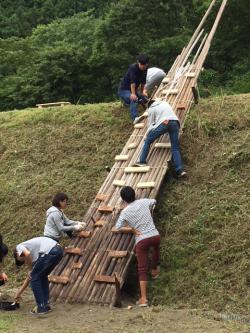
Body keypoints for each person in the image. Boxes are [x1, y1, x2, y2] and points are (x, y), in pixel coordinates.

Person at [115, 186, 160, 307]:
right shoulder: (144, 201)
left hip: (142, 240)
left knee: (142, 269)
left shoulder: (125, 211)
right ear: (134, 194)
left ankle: (144, 299)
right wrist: (150, 209)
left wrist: (132, 229)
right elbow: (154, 201)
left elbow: (117, 227)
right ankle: (155, 270)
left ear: (123, 199)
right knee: (156, 247)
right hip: (155, 235)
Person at [135, 99, 186, 178]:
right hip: (175, 122)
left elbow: (150, 124)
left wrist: (147, 135)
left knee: (148, 141)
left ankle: (142, 161)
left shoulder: (151, 108)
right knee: (175, 148)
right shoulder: (164, 103)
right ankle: (180, 170)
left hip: (164, 123)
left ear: (149, 106)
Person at [13, 236, 63, 314]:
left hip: (49, 251)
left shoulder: (18, 247)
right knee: (42, 276)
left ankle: (41, 307)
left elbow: (27, 254)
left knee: (36, 278)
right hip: (58, 250)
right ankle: (46, 305)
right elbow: (30, 277)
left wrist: (29, 269)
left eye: (20, 259)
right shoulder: (34, 255)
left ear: (17, 254)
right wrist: (19, 293)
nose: (24, 260)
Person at [118, 54, 149, 122]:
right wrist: (133, 94)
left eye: (145, 65)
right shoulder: (133, 68)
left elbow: (143, 82)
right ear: (138, 62)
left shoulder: (145, 69)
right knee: (134, 98)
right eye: (141, 65)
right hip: (124, 90)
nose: (143, 67)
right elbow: (133, 83)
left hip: (133, 90)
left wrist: (142, 93)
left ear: (147, 64)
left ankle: (150, 110)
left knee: (145, 99)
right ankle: (135, 118)